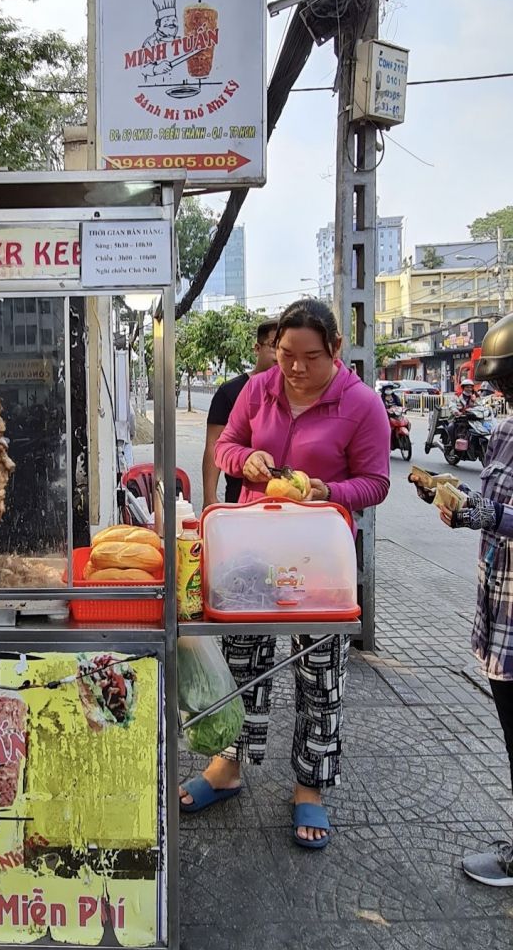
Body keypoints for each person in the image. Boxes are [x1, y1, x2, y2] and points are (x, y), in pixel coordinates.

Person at [179, 299, 390, 849]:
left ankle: (310, 788)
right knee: (241, 664)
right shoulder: (259, 389)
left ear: (336, 350)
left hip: (319, 558)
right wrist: (241, 459)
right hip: (250, 551)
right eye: (285, 355)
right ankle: (228, 766)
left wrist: (329, 491)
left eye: (310, 357)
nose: (294, 368)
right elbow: (225, 446)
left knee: (319, 674)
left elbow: (375, 482)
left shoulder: (362, 405)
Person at [411, 312, 513, 885]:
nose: (502, 396)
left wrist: (489, 514)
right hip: (499, 610)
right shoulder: (501, 432)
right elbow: (488, 502)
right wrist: (450, 499)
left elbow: (499, 513)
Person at [202, 320, 278, 509]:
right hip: (239, 499)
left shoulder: (298, 394)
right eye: (273, 346)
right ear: (257, 348)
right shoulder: (229, 392)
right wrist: (210, 497)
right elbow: (214, 445)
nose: (280, 355)